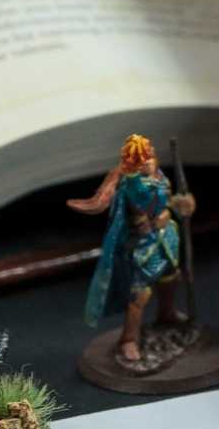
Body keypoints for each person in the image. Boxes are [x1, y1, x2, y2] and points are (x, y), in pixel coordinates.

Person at [68, 134, 196, 361]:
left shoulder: (160, 177)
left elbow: (163, 203)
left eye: (150, 156)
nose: (147, 161)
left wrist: (180, 205)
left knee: (170, 278)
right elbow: (146, 202)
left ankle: (166, 314)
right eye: (141, 159)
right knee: (139, 295)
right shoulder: (131, 184)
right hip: (142, 247)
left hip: (166, 240)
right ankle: (129, 339)